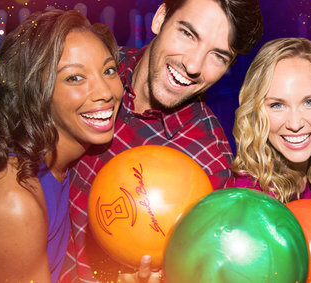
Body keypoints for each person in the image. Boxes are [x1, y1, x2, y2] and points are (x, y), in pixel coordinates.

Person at [61, 0, 264, 281]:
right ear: (160, 18)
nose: (193, 65)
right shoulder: (97, 69)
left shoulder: (209, 164)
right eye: (188, 34)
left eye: (218, 56)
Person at [0, 10, 123, 282]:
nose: (106, 92)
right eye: (75, 77)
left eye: (109, 70)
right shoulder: (14, 198)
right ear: (35, 92)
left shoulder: (62, 159)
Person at [227, 37, 311, 204]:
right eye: (277, 105)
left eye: (309, 102)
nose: (295, 124)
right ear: (256, 111)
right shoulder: (253, 200)